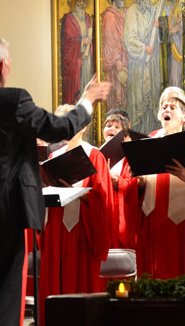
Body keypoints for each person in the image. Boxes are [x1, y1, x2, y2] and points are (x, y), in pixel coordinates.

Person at [0, 35, 111, 326]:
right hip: (4, 213)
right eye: (10, 62)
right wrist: (87, 100)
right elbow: (60, 128)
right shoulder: (12, 100)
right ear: (2, 66)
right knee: (2, 298)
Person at [39, 104, 114, 325]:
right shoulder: (54, 156)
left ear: (83, 127)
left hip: (83, 231)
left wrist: (77, 194)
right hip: (57, 230)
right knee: (56, 283)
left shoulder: (95, 156)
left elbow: (103, 200)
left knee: (82, 287)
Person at [133, 87, 185, 278]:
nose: (167, 110)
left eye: (173, 107)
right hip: (153, 222)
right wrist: (139, 181)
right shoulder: (149, 142)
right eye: (164, 107)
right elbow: (138, 187)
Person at [124, 0, 161, 134]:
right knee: (138, 97)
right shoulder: (132, 11)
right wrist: (143, 48)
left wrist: (159, 28)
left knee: (152, 96)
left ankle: (152, 131)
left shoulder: (153, 9)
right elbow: (129, 38)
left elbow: (159, 38)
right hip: (138, 64)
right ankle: (137, 132)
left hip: (152, 64)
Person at [103, 109, 136, 248]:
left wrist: (115, 180)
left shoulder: (131, 156)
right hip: (102, 215)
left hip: (122, 215)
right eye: (109, 126)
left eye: (117, 127)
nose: (112, 129)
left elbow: (134, 185)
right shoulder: (95, 155)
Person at [61, 0, 93, 104]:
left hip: (87, 58)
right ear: (74, 3)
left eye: (83, 1)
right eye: (78, 1)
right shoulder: (69, 18)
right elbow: (67, 42)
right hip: (75, 59)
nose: (81, 4)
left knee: (86, 83)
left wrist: (89, 42)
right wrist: (82, 42)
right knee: (77, 87)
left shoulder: (87, 18)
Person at [102, 0, 129, 110]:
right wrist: (117, 60)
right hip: (115, 61)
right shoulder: (109, 15)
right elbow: (110, 40)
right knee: (117, 93)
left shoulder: (127, 12)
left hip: (127, 57)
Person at [155, 0, 184, 88]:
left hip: (176, 43)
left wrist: (180, 25)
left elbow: (181, 25)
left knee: (176, 71)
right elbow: (156, 28)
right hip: (162, 46)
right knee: (165, 70)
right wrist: (170, 31)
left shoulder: (178, 5)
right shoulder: (158, 6)